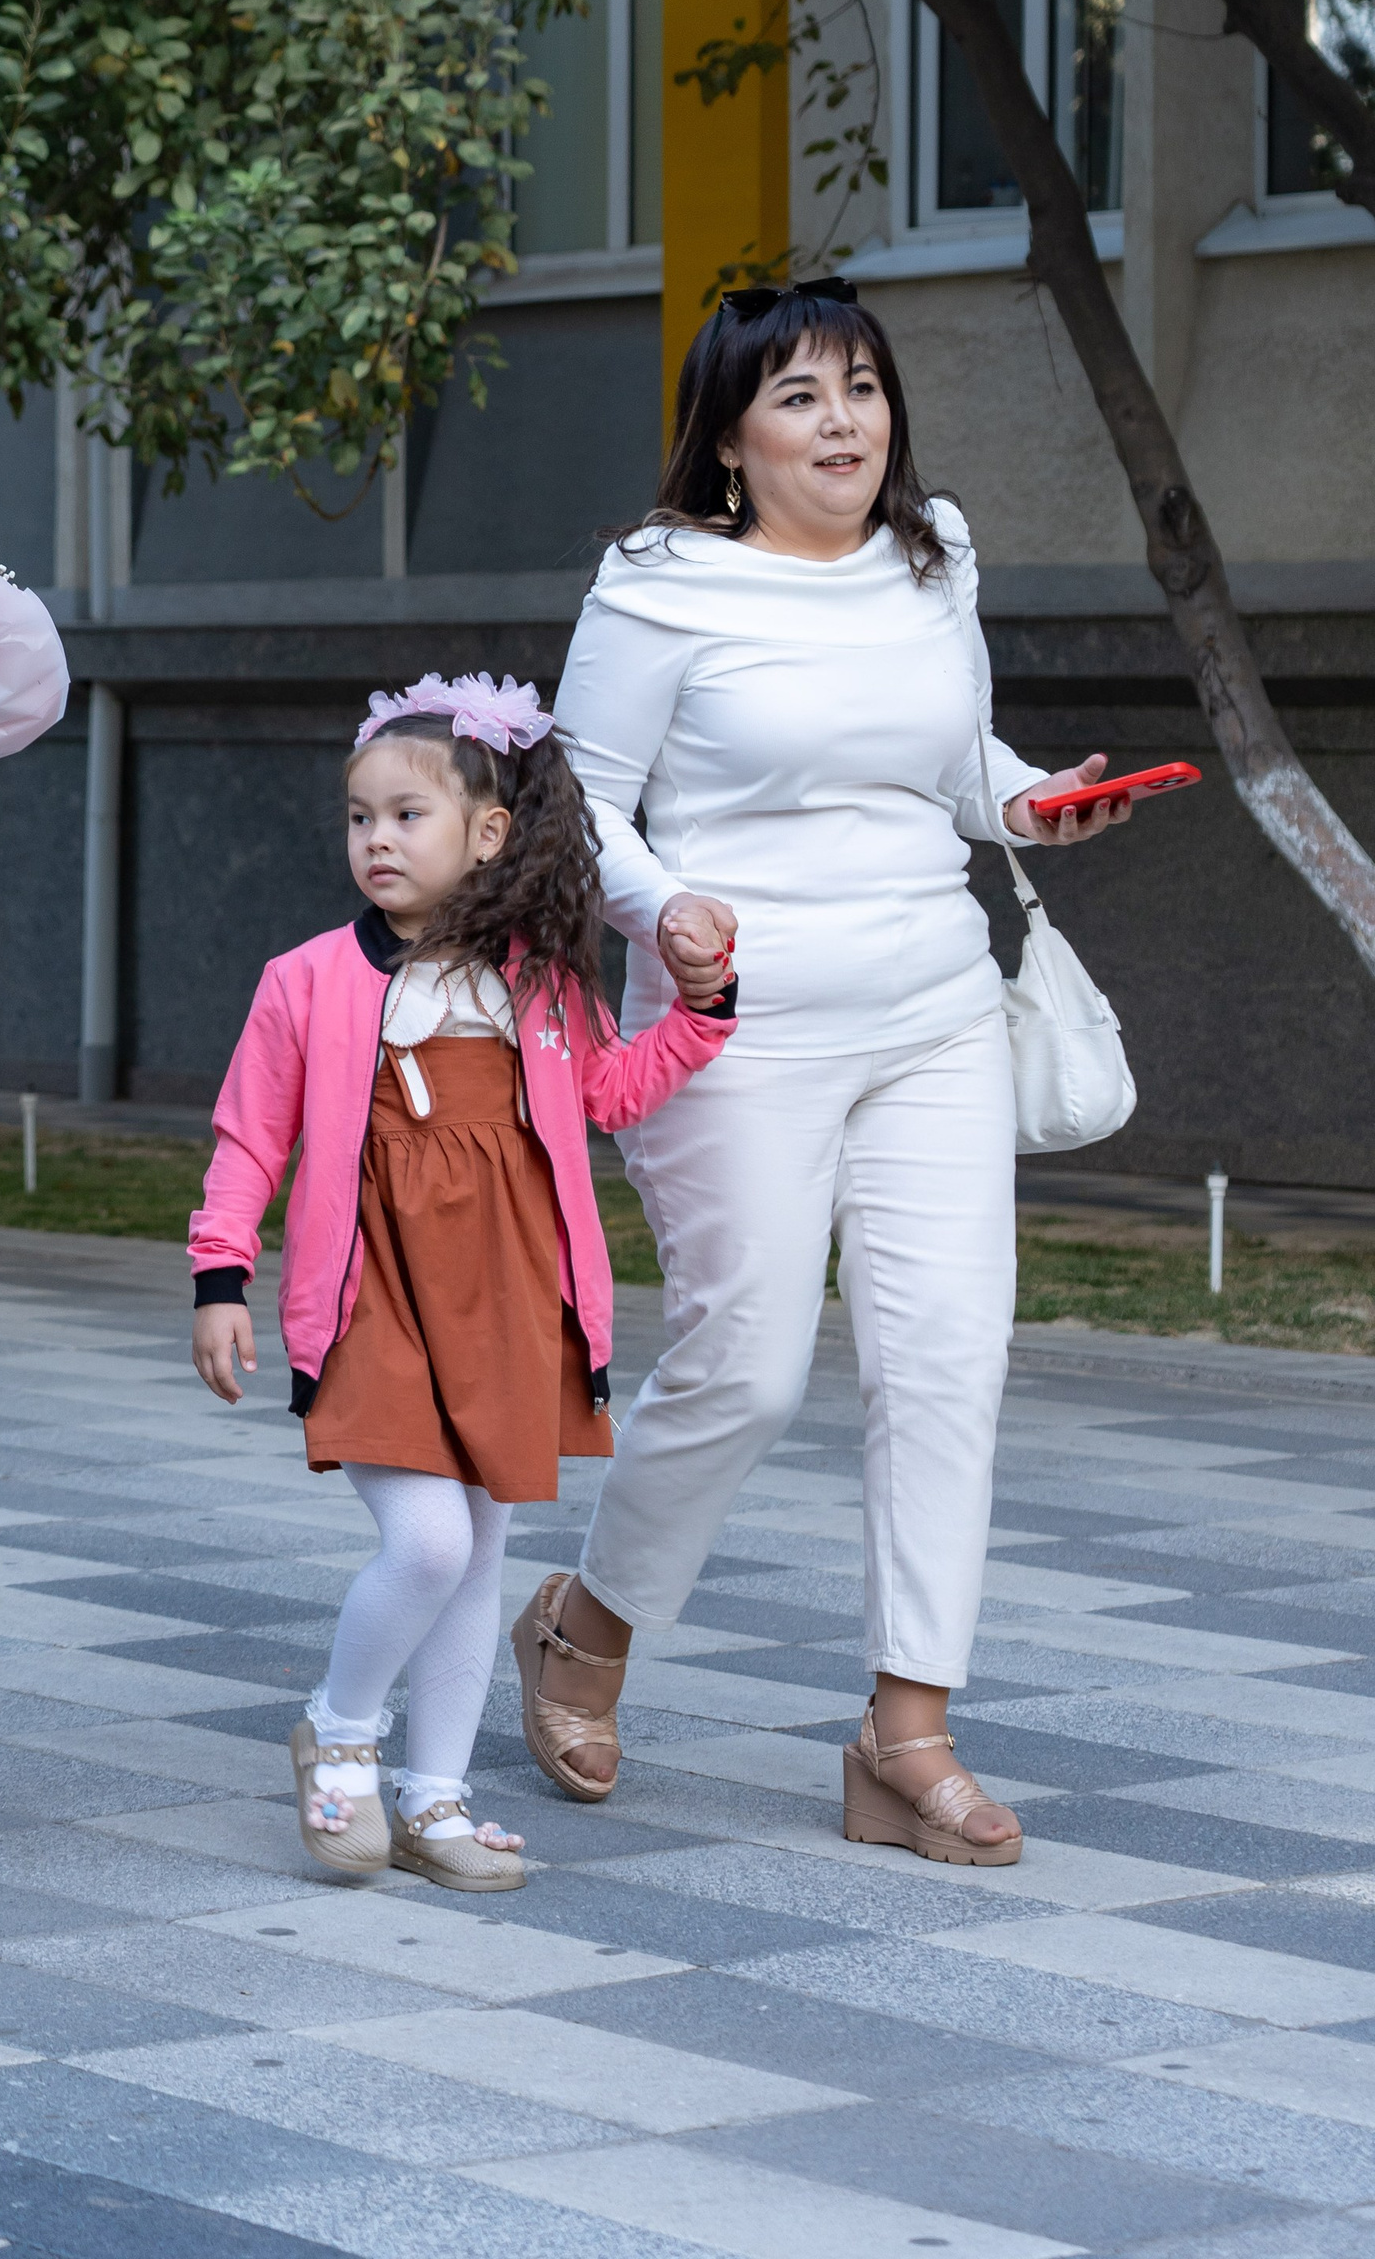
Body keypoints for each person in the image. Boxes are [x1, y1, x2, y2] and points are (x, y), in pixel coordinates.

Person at [526, 282, 1136, 1866]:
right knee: (752, 1366)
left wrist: (1034, 802)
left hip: (934, 1011)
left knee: (948, 1364)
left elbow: (952, 763)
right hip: (742, 1023)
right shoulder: (663, 583)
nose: (844, 421)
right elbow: (580, 805)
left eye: (862, 388)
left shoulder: (929, 559)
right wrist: (668, 909)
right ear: (730, 436)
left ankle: (906, 1736)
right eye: (799, 396)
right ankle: (584, 1626)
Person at [188, 673, 736, 1889]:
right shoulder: (308, 979)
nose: (374, 839)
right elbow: (247, 1139)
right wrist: (218, 1274)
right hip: (376, 1296)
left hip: (504, 1298)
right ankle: (337, 1737)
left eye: (405, 815)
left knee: (480, 1552)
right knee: (429, 1544)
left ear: (488, 833)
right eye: (358, 817)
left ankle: (433, 1798)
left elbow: (610, 1093)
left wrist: (702, 1009)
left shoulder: (538, 981)